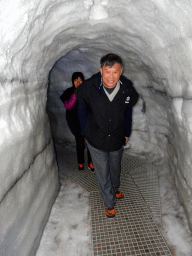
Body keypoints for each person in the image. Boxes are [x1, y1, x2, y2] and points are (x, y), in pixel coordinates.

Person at [75, 53, 139, 218]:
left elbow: (128, 111)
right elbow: (81, 108)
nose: (111, 76)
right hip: (96, 138)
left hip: (117, 136)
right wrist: (85, 131)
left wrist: (126, 132)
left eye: (115, 72)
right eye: (107, 71)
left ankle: (115, 188)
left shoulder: (126, 89)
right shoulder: (88, 88)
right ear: (101, 70)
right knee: (103, 171)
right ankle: (109, 202)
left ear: (121, 71)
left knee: (115, 166)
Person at [60, 72, 94, 172]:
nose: (78, 82)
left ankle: (90, 162)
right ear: (73, 81)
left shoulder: (88, 92)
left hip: (88, 123)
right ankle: (80, 162)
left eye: (80, 80)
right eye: (76, 80)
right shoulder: (69, 92)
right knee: (80, 144)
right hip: (76, 124)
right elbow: (68, 107)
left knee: (91, 145)